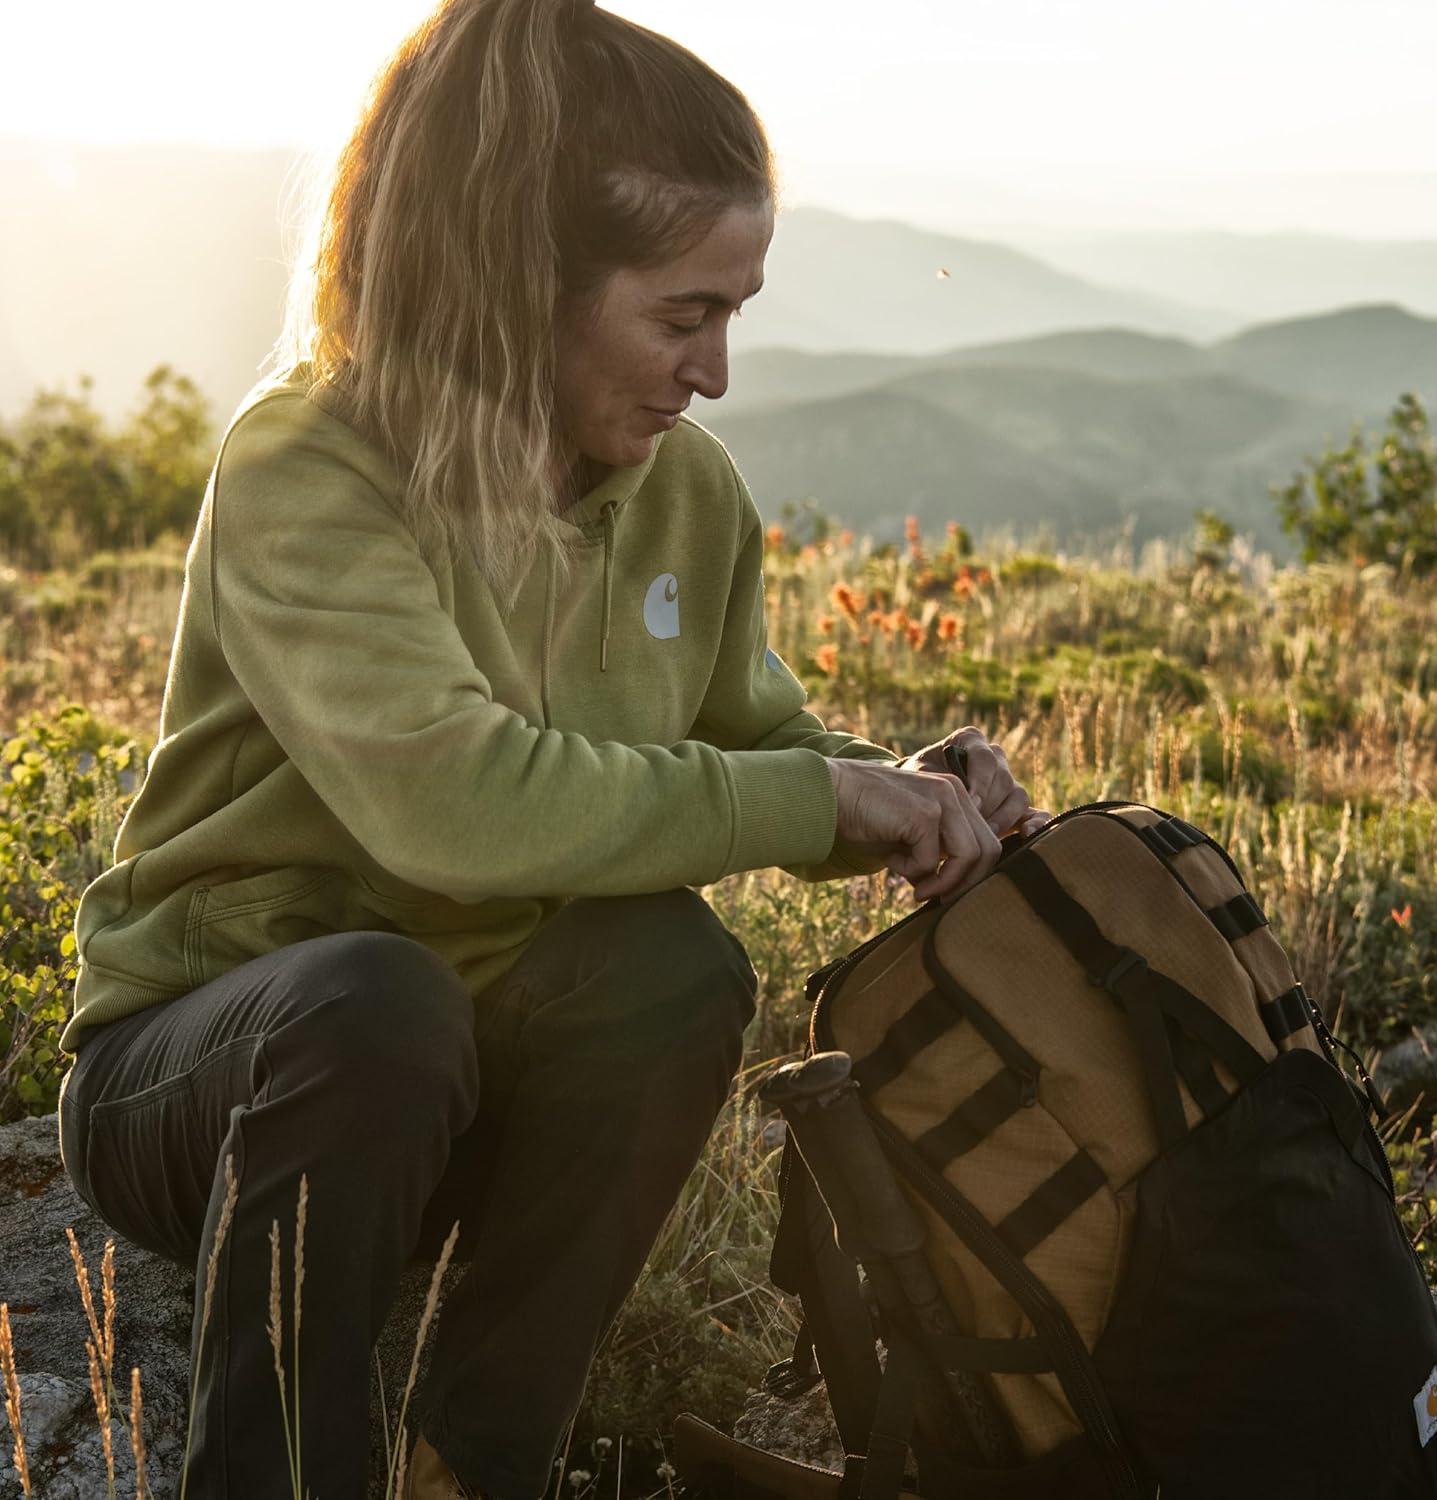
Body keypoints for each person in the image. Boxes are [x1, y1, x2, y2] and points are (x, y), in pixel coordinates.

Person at [54, 1, 1047, 1495]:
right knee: (369, 1005)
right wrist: (807, 794)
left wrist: (906, 793)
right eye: (683, 315)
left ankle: (471, 1465)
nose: (714, 371)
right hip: (210, 1073)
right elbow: (455, 808)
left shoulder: (683, 493)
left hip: (462, 1066)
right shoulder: (308, 466)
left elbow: (765, 745)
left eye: (734, 314)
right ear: (524, 285)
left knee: (672, 971)